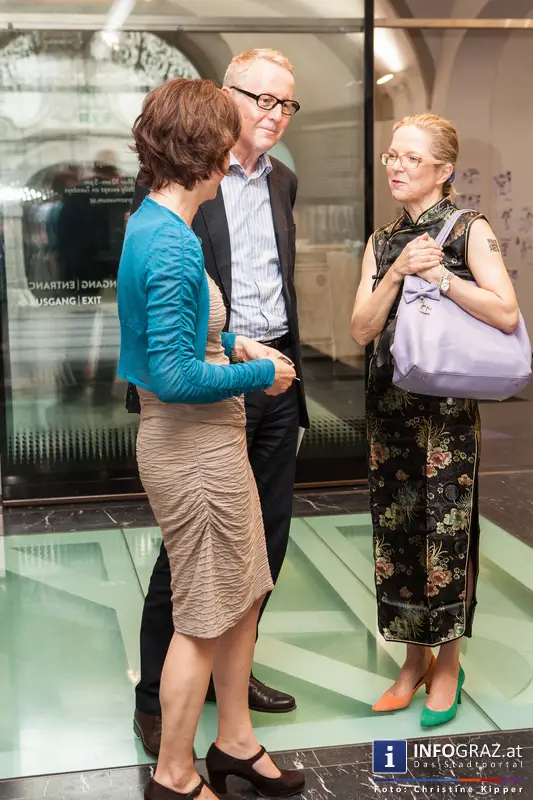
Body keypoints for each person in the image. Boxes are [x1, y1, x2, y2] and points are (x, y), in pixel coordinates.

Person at [118, 77, 305, 800]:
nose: (234, 155)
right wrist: (257, 371)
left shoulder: (157, 222)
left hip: (208, 447)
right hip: (193, 453)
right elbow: (170, 374)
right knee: (202, 617)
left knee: (243, 593)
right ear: (204, 151)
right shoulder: (171, 243)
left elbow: (174, 335)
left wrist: (232, 341)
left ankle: (234, 742)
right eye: (227, 141)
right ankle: (173, 774)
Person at [351, 114, 519, 728]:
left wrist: (441, 277)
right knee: (396, 536)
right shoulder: (382, 240)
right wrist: (397, 271)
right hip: (388, 409)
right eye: (391, 156)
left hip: (446, 417)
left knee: (446, 535)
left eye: (411, 158)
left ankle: (448, 664)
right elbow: (361, 329)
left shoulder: (470, 229)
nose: (396, 166)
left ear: (444, 171)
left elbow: (506, 313)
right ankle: (412, 660)